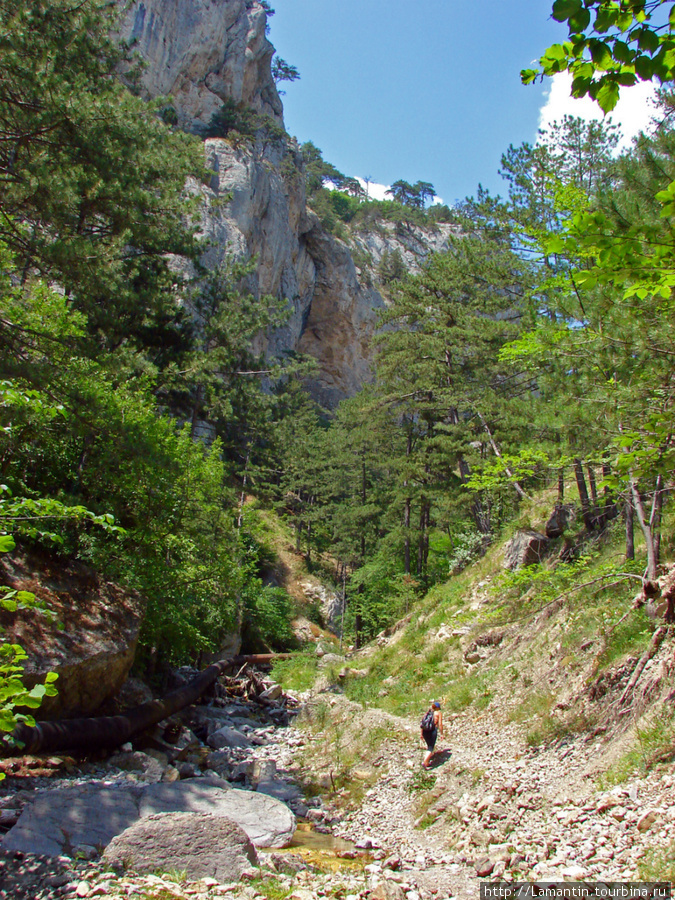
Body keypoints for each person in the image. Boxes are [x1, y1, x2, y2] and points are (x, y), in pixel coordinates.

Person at [420, 700, 443, 769]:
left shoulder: (427, 713)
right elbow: (440, 724)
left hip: (425, 731)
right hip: (432, 731)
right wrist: (442, 734)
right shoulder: (438, 713)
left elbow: (422, 723)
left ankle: (426, 760)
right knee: (431, 747)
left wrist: (421, 734)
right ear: (438, 708)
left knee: (429, 746)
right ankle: (425, 762)